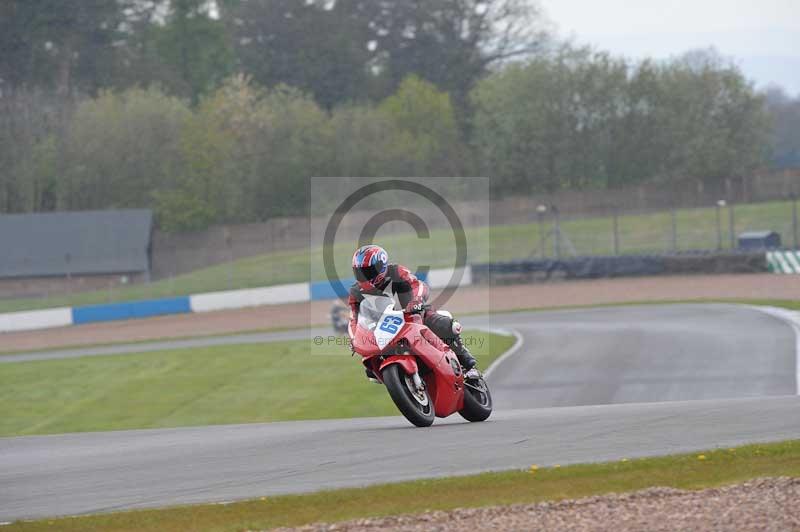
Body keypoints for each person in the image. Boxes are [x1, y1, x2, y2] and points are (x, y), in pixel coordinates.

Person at [347, 244, 478, 380]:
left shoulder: (396, 272)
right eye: (360, 271)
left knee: (444, 325)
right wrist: (354, 338)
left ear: (381, 266)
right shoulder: (356, 292)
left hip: (410, 314)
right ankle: (401, 380)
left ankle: (468, 365)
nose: (364, 275)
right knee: (370, 367)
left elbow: (418, 285)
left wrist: (415, 301)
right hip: (383, 328)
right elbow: (353, 318)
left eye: (368, 271)